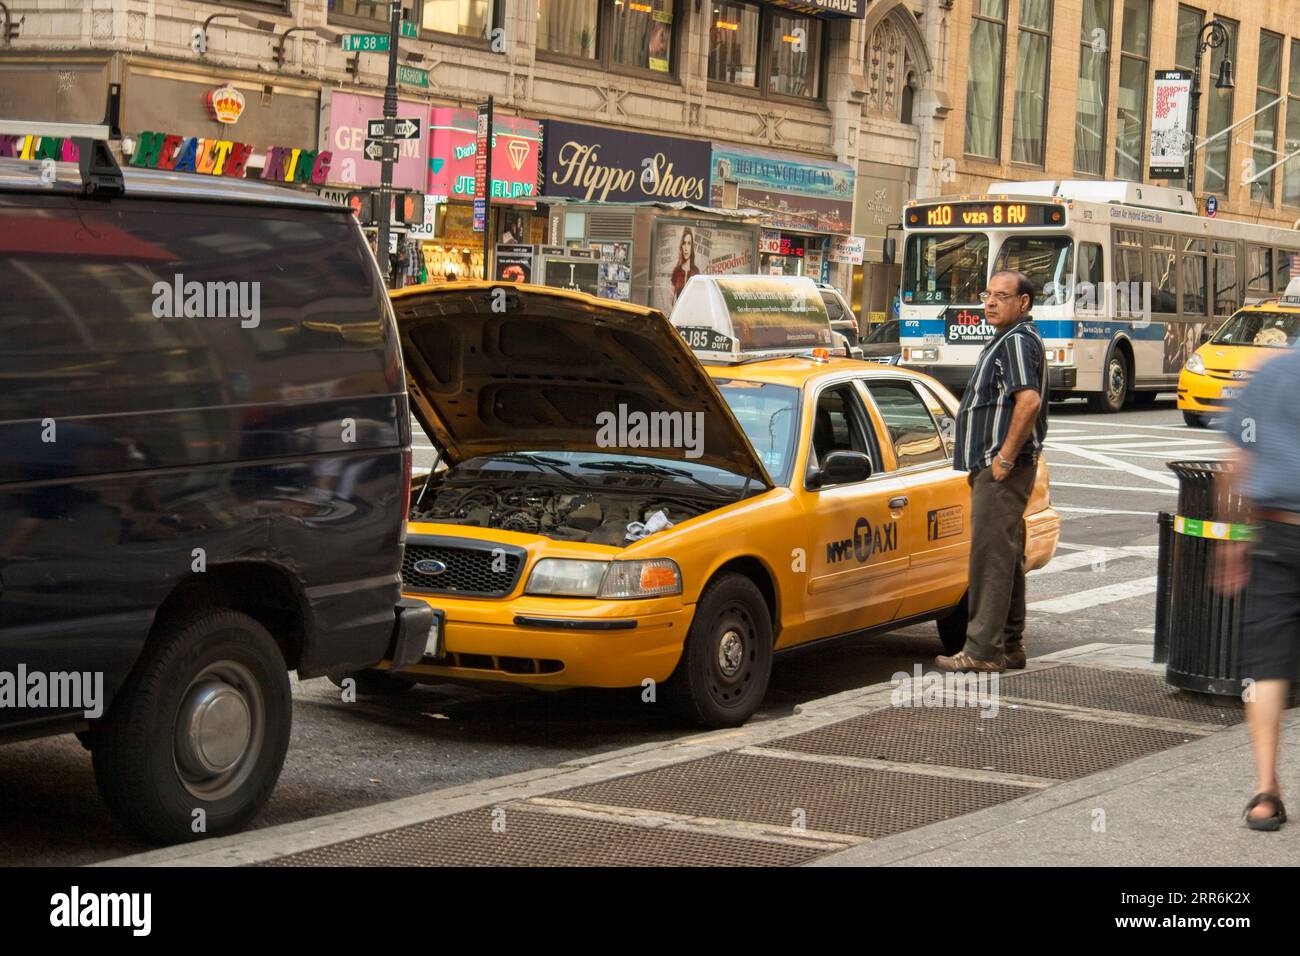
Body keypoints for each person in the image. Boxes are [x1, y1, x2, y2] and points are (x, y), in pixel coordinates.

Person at [936, 269, 1049, 674]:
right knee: (1007, 555)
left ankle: (982, 651)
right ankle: (1010, 645)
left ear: (1024, 303)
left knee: (990, 559)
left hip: (1002, 469)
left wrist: (1002, 459)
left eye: (1002, 296)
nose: (990, 302)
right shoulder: (1012, 339)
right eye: (988, 294)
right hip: (1002, 467)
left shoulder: (1016, 342)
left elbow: (1029, 402)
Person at [1215, 342, 1300, 830]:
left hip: (1276, 532)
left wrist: (1234, 539)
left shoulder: (1269, 373)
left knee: (1267, 666)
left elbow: (1236, 461)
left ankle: (1266, 792)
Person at [670, 227, 701, 303]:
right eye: (684, 243)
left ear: (692, 247)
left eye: (689, 243)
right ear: (681, 246)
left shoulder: (696, 272)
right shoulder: (676, 271)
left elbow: (698, 297)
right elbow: (670, 298)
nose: (686, 248)